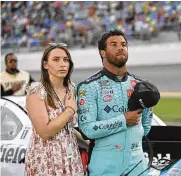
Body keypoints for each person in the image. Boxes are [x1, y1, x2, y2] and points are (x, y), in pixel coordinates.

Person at [77, 30, 153, 176]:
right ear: (102, 53)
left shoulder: (141, 85)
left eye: (123, 44)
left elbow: (146, 127)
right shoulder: (89, 86)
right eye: (114, 44)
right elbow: (87, 129)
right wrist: (122, 120)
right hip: (105, 164)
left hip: (137, 164)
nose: (121, 47)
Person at [25, 43, 88, 175]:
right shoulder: (36, 91)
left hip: (70, 156)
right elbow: (45, 132)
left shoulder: (71, 88)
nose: (62, 64)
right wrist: (70, 110)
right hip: (46, 157)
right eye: (56, 59)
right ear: (45, 65)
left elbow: (66, 129)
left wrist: (87, 143)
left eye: (66, 60)